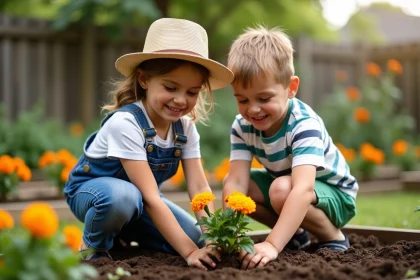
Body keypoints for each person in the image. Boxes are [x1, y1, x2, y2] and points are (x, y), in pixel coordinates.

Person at [63, 18, 234, 270]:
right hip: (94, 195)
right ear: (143, 80)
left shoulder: (184, 128)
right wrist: (189, 253)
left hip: (141, 203)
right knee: (123, 197)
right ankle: (94, 248)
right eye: (171, 87)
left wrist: (210, 236)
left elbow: (199, 187)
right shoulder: (126, 123)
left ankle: (123, 235)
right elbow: (152, 198)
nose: (180, 100)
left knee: (195, 237)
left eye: (191, 92)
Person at [223, 26, 358, 270]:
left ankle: (333, 237)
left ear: (291, 88)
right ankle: (295, 235)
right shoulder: (242, 126)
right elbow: (236, 183)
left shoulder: (303, 124)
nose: (253, 109)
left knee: (282, 189)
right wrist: (228, 236)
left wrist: (272, 244)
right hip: (289, 190)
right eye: (242, 100)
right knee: (241, 189)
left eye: (264, 98)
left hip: (336, 196)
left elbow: (303, 189)